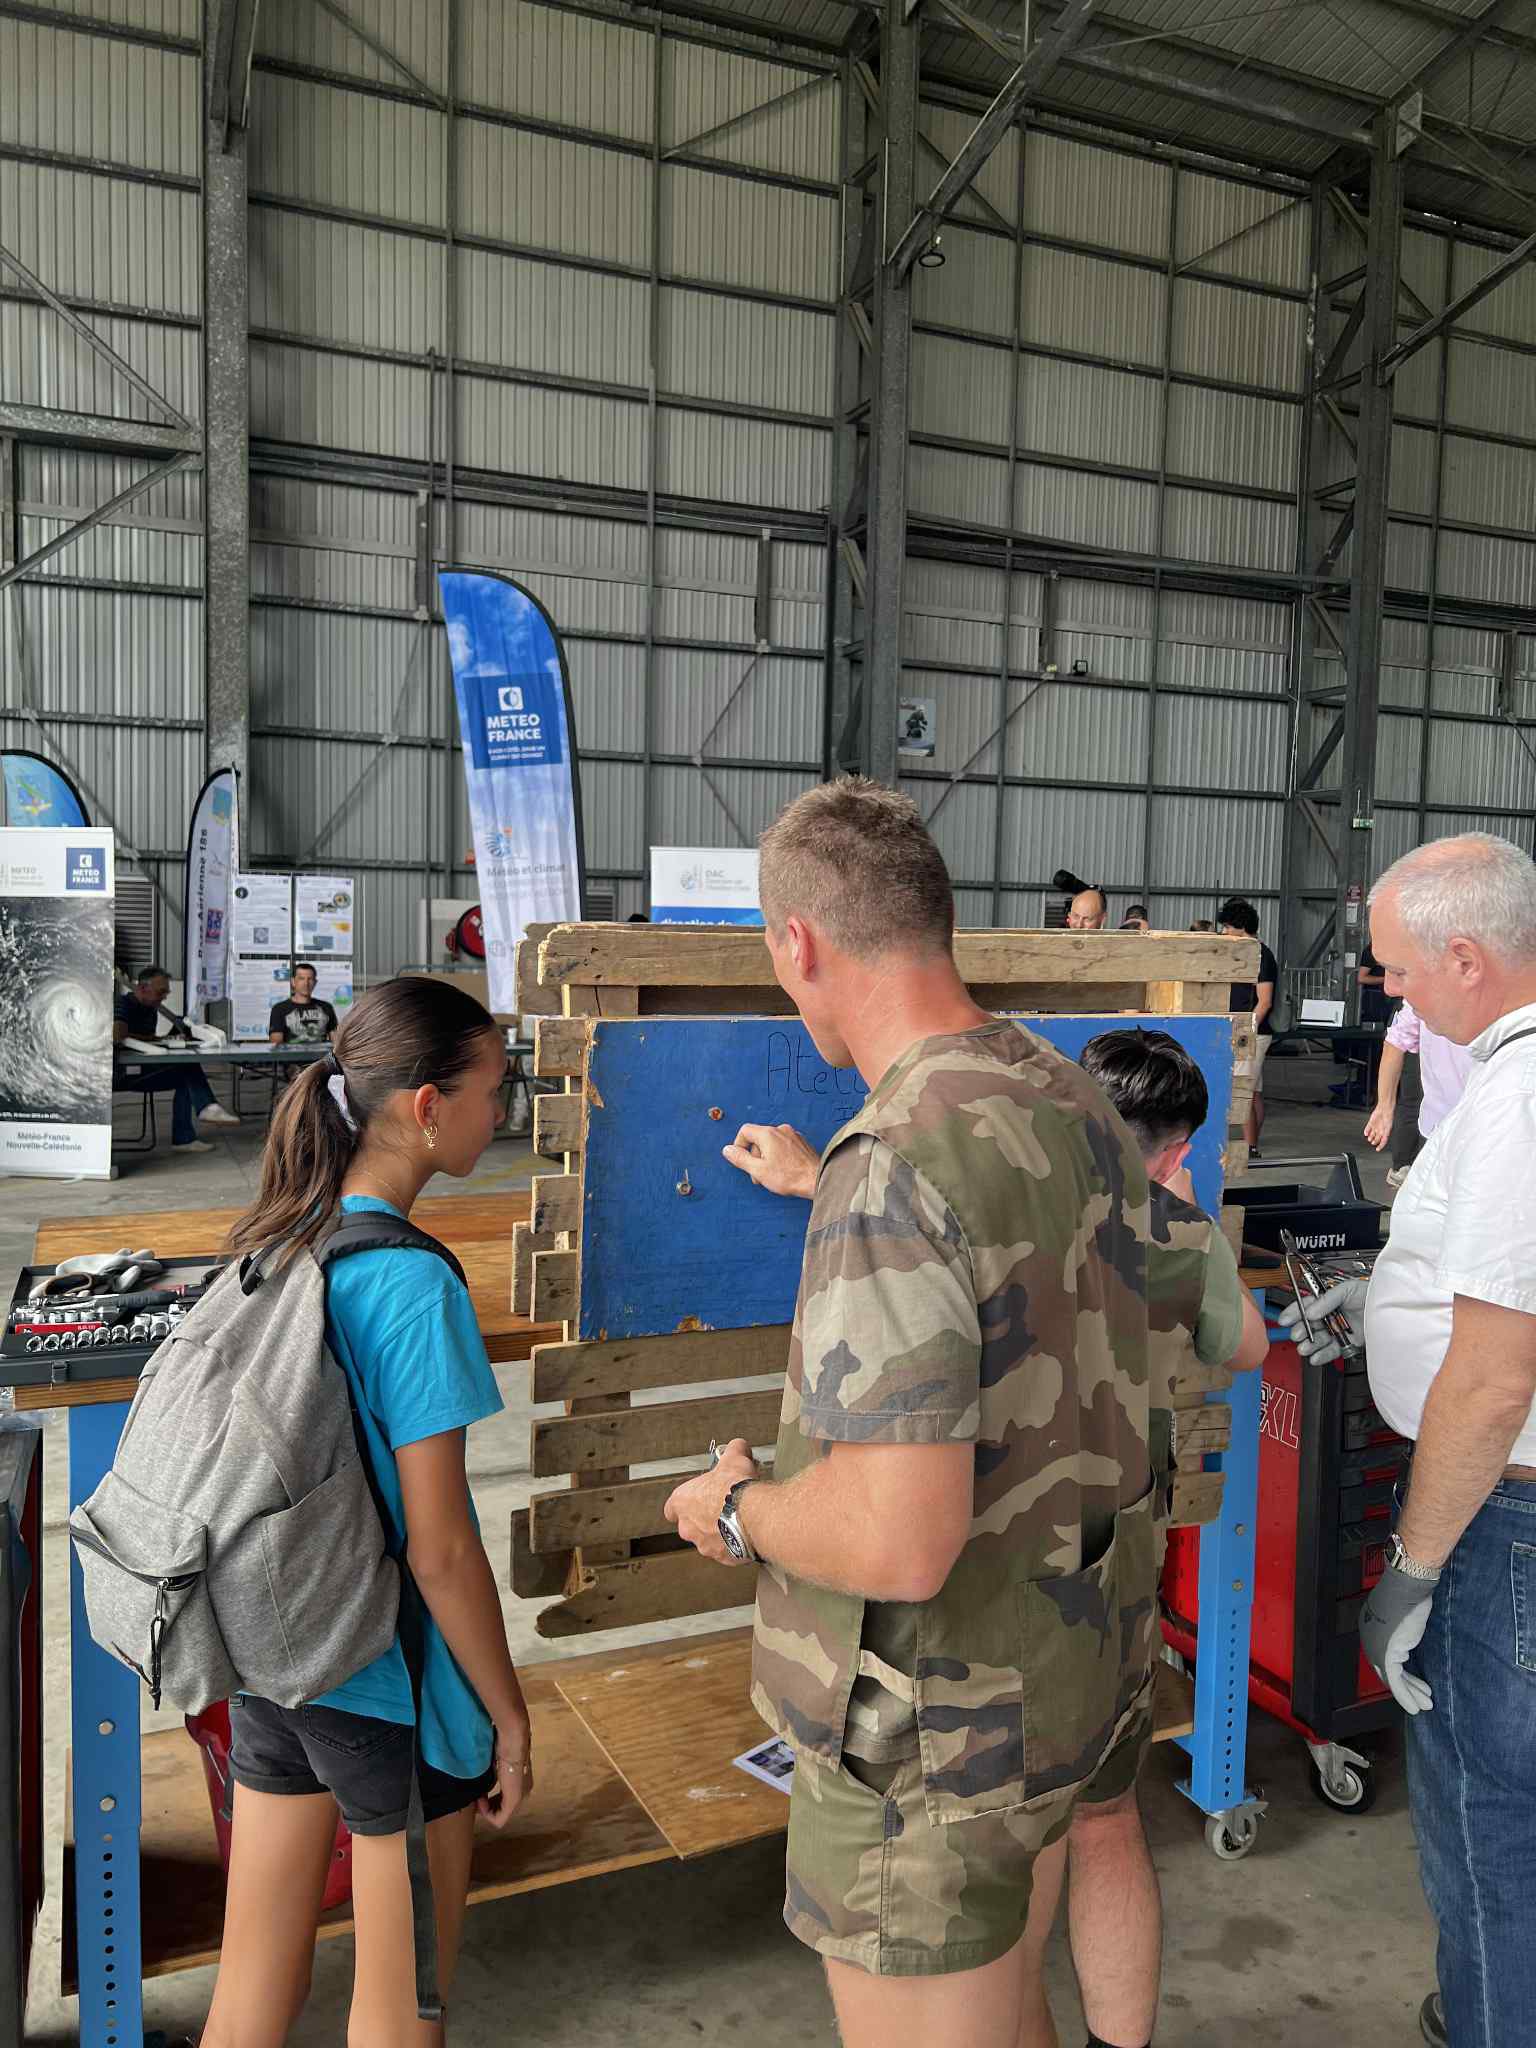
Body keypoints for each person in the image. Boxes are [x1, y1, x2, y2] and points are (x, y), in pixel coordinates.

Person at [663, 778, 1156, 2048]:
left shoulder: (890, 1164)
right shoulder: (1068, 1093)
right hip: (1072, 1665)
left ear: (798, 942)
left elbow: (896, 1537)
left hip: (931, 1737)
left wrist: (734, 1503)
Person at [204, 978, 532, 2048]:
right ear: (428, 1106)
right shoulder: (412, 1283)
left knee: (251, 1987)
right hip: (393, 1685)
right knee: (401, 2010)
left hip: (272, 1654)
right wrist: (508, 1713)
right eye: (493, 1089)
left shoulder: (278, 1234)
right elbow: (440, 1550)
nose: (502, 1111)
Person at [1279, 834, 1536, 2048]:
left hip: (1507, 1518)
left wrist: (1415, 1567)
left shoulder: (1521, 1100)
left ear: (1466, 958)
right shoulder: (1506, 1082)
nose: (1389, 991)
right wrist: (1387, 1293)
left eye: (1396, 969)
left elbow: (1493, 1379)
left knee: (1490, 1823)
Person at [1066, 1029, 1267, 2045]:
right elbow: (1249, 1345)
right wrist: (1185, 1216)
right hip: (1109, 1569)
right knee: (1103, 1819)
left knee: (1004, 1843)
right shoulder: (1180, 1233)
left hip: (974, 1578)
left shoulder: (985, 1210)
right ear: (1175, 1149)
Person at [113, 964, 239, 1153]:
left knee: (185, 1076)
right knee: (186, 1069)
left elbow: (148, 1039)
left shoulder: (150, 1007)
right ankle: (206, 1108)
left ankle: (184, 1138)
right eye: (161, 992)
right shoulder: (123, 1004)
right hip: (124, 1072)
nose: (164, 997)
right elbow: (117, 1034)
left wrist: (172, 1035)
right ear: (143, 988)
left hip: (142, 1067)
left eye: (166, 992)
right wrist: (154, 1039)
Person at [1362, 997, 1473, 1192]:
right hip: (1447, 1125)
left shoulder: (1424, 987)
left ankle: (1401, 1167)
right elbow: (1396, 1040)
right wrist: (1384, 1106)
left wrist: (1385, 1106)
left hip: (1449, 1125)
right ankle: (1401, 1166)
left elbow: (1396, 1040)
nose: (1389, 989)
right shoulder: (1424, 989)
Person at [1216, 898, 1277, 1155]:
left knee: (1244, 1093)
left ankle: (1250, 1148)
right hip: (1244, 1030)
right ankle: (1253, 1142)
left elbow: (1264, 1002)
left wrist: (1244, 1032)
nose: (1224, 932)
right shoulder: (1241, 953)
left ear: (1241, 927)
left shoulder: (1261, 956)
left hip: (1253, 1033)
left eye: (1227, 927)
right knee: (1255, 1091)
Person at [269, 962, 338, 1045]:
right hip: (292, 1053)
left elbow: (336, 1041)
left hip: (322, 1053)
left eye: (310, 979)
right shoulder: (279, 1009)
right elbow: (276, 1044)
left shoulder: (326, 1007)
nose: (306, 983)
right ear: (293, 982)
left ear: (315, 982)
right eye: (301, 979)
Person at [1357, 942, 1392, 1026]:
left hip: (1392, 996)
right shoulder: (1372, 949)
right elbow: (1361, 978)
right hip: (1375, 998)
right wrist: (1387, 979)